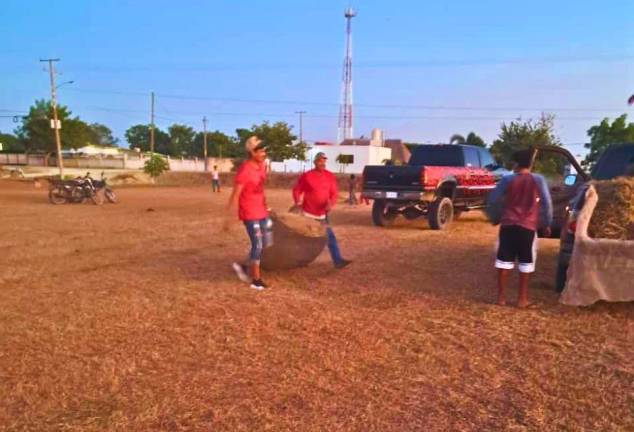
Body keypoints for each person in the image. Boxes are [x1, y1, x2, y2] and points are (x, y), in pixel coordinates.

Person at [486, 149, 553, 308]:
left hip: (508, 224)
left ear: (516, 163)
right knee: (526, 264)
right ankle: (522, 300)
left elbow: (493, 200)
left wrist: (495, 218)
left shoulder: (507, 179)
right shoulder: (538, 179)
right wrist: (546, 223)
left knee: (503, 262)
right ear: (530, 164)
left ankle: (501, 298)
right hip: (528, 226)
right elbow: (547, 203)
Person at [291, 152, 352, 269]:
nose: (322, 163)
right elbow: (297, 189)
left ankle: (337, 261)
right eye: (320, 161)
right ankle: (300, 261)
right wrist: (298, 202)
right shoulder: (307, 176)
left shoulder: (330, 176)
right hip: (308, 213)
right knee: (305, 238)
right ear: (315, 162)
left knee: (329, 238)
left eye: (324, 160)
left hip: (323, 215)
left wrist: (331, 203)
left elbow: (334, 194)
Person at [226, 136, 270, 290]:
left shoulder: (262, 166)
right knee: (257, 244)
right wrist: (229, 217)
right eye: (261, 151)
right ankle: (256, 280)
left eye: (264, 150)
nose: (264, 153)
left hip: (261, 210)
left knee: (265, 242)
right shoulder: (245, 170)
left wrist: (266, 204)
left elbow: (261, 187)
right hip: (249, 212)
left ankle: (243, 266)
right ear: (252, 152)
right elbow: (236, 194)